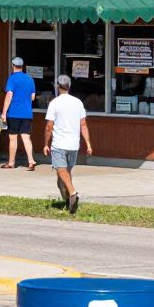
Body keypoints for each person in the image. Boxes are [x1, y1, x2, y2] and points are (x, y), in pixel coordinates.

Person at [43, 74, 92, 214]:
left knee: (61, 171)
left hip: (59, 144)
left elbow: (48, 126)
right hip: (73, 145)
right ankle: (68, 203)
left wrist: (46, 143)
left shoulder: (54, 103)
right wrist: (88, 144)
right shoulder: (78, 102)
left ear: (57, 86)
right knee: (63, 175)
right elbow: (83, 125)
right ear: (69, 86)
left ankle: (72, 193)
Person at [1, 57, 36, 170]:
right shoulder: (30, 79)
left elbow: (9, 94)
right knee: (26, 137)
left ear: (13, 65)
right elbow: (33, 97)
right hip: (27, 113)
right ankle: (31, 161)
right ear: (22, 66)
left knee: (13, 138)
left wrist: (4, 112)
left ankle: (11, 162)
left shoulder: (12, 78)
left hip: (14, 113)